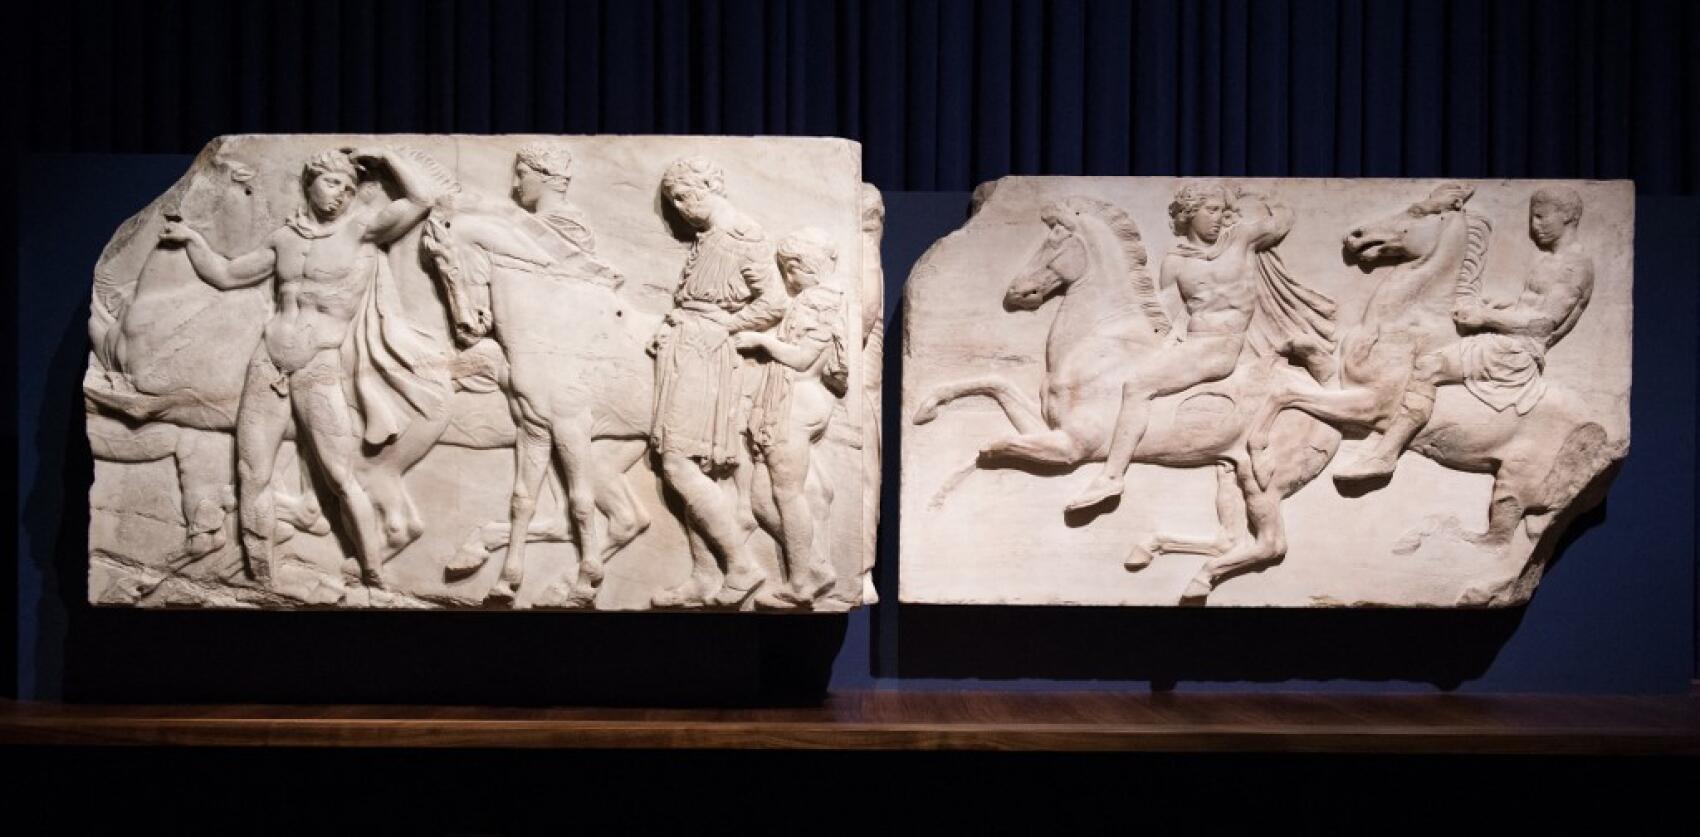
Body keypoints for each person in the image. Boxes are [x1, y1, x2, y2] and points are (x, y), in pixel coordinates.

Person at [157, 147, 448, 588]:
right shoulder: (284, 239)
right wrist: (193, 241)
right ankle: (261, 578)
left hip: (317, 367)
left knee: (340, 477)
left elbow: (421, 200)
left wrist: (386, 158)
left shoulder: (361, 231)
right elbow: (228, 275)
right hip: (268, 364)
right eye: (332, 183)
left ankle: (373, 572)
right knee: (252, 473)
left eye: (348, 189)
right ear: (310, 183)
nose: (341, 195)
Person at [1066, 182, 1334, 512]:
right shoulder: (1176, 262)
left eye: (1222, 211)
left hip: (1220, 348)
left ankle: (1112, 477)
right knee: (1130, 373)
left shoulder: (1241, 239)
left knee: (1137, 386)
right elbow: (1166, 316)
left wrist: (1260, 197)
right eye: (1211, 210)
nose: (1218, 218)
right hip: (1193, 343)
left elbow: (1281, 221)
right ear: (1190, 214)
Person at [1333, 187, 1595, 483]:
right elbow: (1530, 309)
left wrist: (1486, 317)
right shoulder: (1549, 260)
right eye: (1533, 217)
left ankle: (1385, 455)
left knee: (1429, 365)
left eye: (1542, 217)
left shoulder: (1573, 266)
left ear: (1567, 216)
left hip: (1515, 352)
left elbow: (1545, 323)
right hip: (1507, 338)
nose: (1535, 226)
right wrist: (1499, 308)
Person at [649, 156, 789, 607]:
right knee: (693, 468)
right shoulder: (708, 237)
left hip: (705, 355)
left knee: (678, 464)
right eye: (673, 201)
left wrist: (724, 326)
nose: (680, 207)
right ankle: (704, 575)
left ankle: (742, 565)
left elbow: (774, 302)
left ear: (709, 185)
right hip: (685, 348)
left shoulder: (741, 236)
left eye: (684, 196)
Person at [738, 227, 850, 607]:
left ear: (807, 265)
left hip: (797, 402)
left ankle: (800, 584)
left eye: (790, 269)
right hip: (781, 402)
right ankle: (816, 567)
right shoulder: (810, 299)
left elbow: (802, 359)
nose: (788, 278)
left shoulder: (822, 301)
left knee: (788, 494)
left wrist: (761, 341)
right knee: (761, 500)